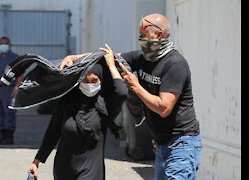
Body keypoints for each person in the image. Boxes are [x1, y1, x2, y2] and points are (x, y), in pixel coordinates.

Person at [60, 14, 202, 180]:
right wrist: (72, 58)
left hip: (181, 144)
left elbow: (164, 108)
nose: (140, 38)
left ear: (158, 35)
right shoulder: (141, 58)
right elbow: (106, 57)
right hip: (162, 143)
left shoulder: (174, 64)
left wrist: (136, 86)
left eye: (143, 34)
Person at [27, 46, 128, 180]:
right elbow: (52, 132)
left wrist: (111, 65)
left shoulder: (105, 106)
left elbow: (122, 92)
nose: (89, 84)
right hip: (63, 171)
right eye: (85, 81)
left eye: (94, 81)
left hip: (91, 173)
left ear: (101, 82)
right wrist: (36, 161)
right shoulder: (66, 102)